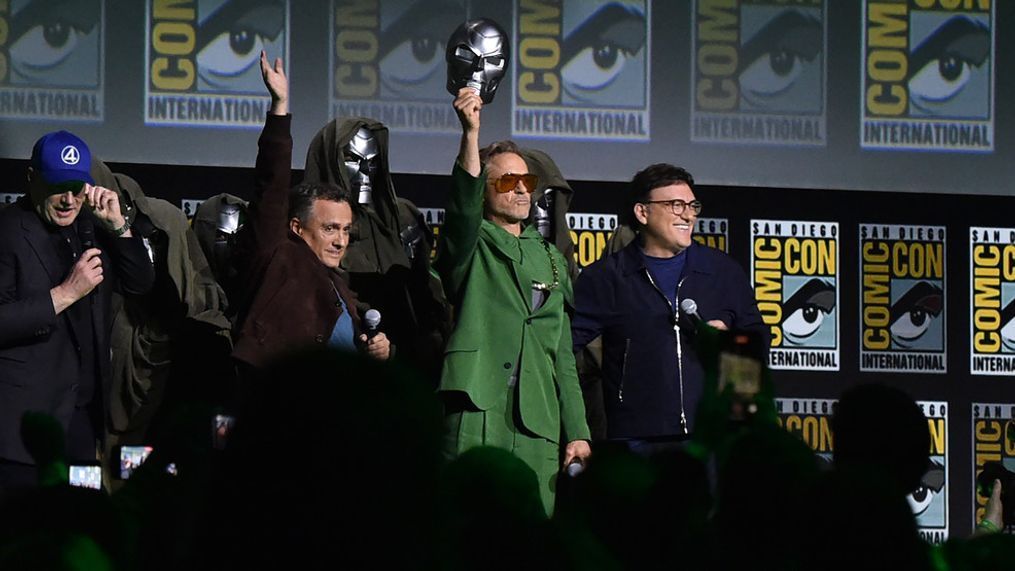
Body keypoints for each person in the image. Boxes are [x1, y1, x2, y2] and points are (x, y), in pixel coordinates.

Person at [437, 87, 591, 513]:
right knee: (467, 531)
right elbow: (462, 210)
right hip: (477, 405)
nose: (522, 190)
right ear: (485, 190)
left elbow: (563, 355)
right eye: (508, 181)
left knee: (530, 540)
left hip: (538, 421)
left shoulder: (550, 259)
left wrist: (577, 430)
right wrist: (470, 133)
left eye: (528, 181)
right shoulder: (471, 242)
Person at [0, 130, 154, 496]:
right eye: (58, 187)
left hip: (81, 429)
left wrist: (118, 226)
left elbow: (140, 284)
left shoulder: (93, 227)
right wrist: (64, 295)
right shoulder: (7, 232)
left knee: (77, 531)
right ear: (31, 179)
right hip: (24, 434)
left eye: (77, 187)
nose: (69, 200)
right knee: (23, 541)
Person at [571, 163, 766, 445]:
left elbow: (757, 340)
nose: (688, 214)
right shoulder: (606, 277)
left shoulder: (723, 271)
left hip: (711, 435)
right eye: (676, 205)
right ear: (642, 212)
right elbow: (563, 348)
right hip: (635, 437)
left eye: (692, 205)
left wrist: (732, 342)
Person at [231, 52, 389, 370]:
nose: (341, 241)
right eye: (329, 228)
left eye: (345, 230)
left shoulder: (340, 289)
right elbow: (271, 187)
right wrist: (280, 108)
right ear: (296, 227)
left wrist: (379, 350)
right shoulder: (277, 259)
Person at [303, 115, 450, 382]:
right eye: (354, 161)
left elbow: (428, 300)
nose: (365, 172)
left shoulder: (401, 218)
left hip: (407, 371)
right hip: (333, 372)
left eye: (372, 162)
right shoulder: (305, 222)